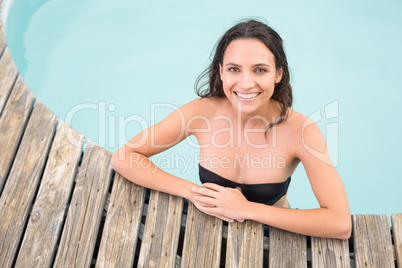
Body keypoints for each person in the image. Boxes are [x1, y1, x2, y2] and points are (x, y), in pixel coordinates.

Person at [111, 19, 351, 239]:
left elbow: (339, 223)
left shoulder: (300, 131)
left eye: (260, 69)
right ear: (221, 72)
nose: (246, 83)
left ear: (278, 73)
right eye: (234, 69)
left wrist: (246, 209)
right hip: (207, 233)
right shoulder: (201, 113)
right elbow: (124, 157)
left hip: (275, 238)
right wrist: (196, 194)